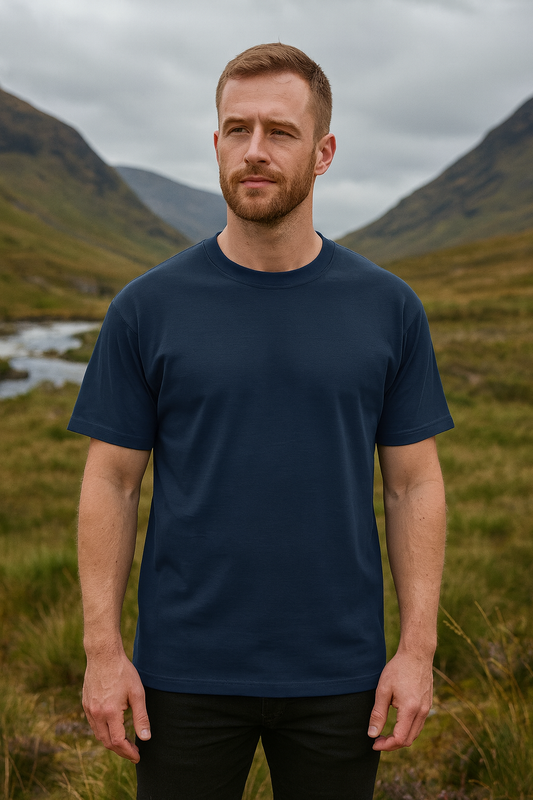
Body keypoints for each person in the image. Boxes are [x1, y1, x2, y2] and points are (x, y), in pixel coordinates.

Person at [68, 43, 453, 800]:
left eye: (280, 131)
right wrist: (102, 653)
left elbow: (414, 485)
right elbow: (111, 482)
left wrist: (417, 651)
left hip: (340, 673)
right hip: (180, 673)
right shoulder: (145, 308)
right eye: (237, 129)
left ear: (323, 152)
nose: (254, 150)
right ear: (216, 143)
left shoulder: (389, 308)